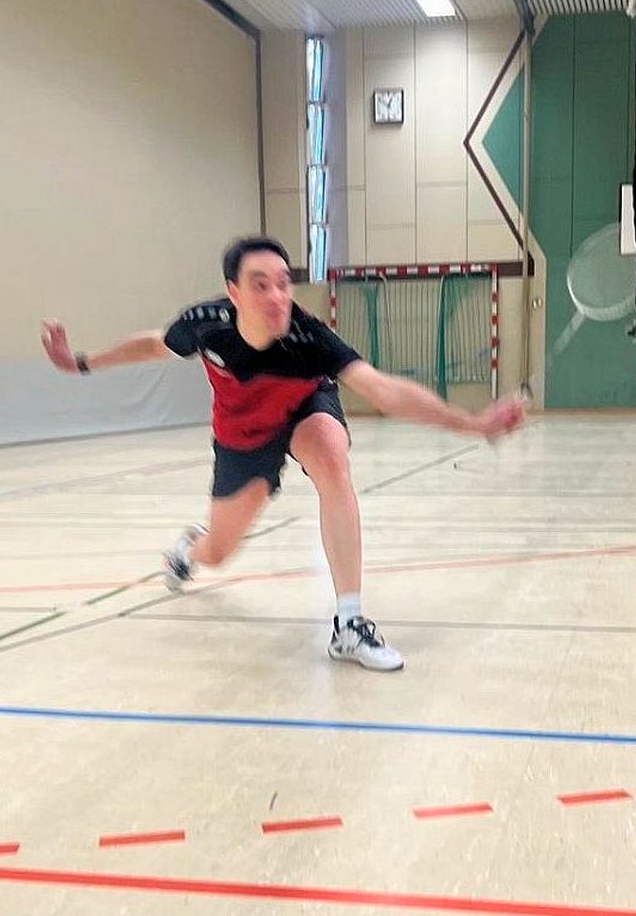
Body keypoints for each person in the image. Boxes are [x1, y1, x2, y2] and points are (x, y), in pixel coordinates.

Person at [41, 236, 526, 672]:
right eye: (260, 285)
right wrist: (80, 362)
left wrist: (473, 423)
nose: (276, 296)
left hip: (304, 408)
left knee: (332, 460)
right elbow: (152, 345)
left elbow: (383, 390)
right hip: (244, 434)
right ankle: (189, 549)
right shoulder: (205, 326)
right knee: (218, 551)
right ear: (233, 292)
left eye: (282, 284)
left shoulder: (309, 338)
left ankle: (349, 623)